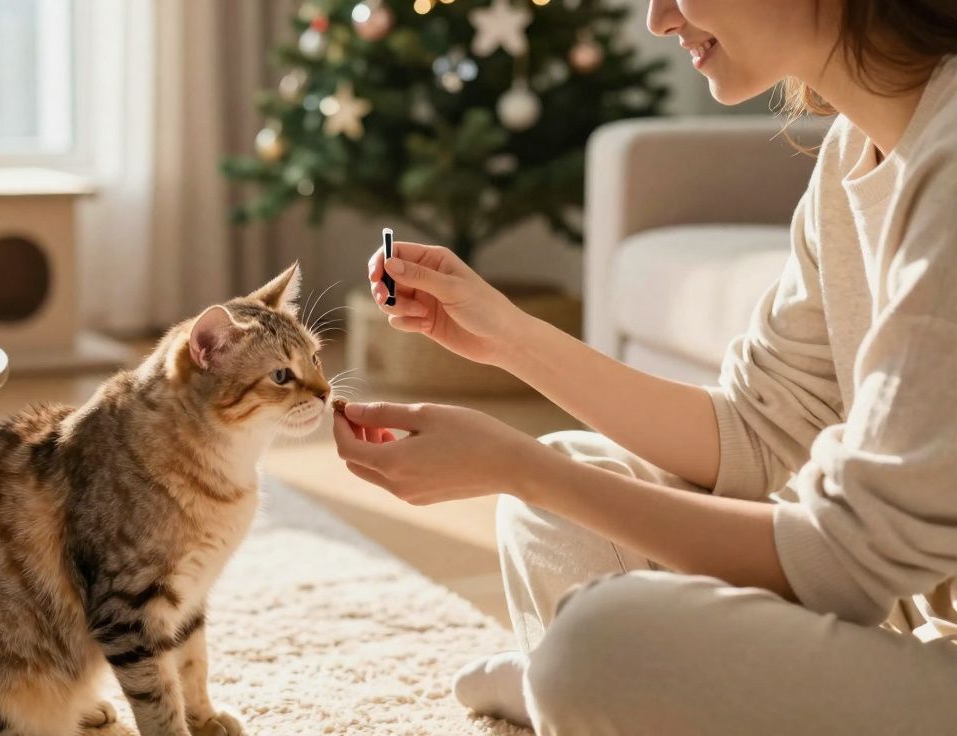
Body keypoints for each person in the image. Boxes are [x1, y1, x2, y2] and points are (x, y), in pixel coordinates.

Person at [332, 1, 957, 733]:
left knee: (605, 643)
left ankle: (571, 689)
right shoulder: (853, 156)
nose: (659, 19)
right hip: (908, 621)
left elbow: (843, 564)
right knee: (556, 518)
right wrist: (505, 335)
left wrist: (519, 465)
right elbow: (753, 432)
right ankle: (584, 692)